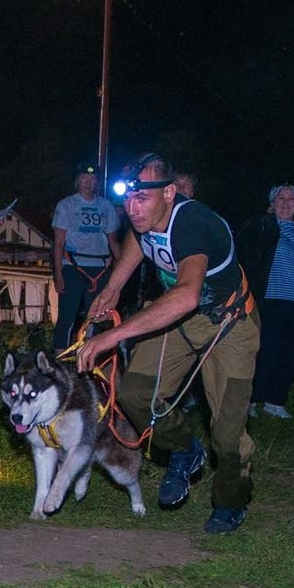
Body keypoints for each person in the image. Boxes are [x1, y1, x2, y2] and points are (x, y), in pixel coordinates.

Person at [76, 155, 260, 535]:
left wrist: (115, 334)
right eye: (128, 199)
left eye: (143, 198)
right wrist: (112, 287)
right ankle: (184, 449)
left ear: (170, 193)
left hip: (229, 324)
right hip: (179, 321)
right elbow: (138, 244)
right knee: (135, 394)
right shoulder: (144, 220)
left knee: (226, 434)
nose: (133, 208)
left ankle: (231, 500)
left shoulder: (193, 223)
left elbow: (187, 295)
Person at [240, 184, 294, 418]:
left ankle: (275, 400)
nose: (286, 202)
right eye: (281, 197)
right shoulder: (259, 227)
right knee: (267, 351)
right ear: (272, 203)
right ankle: (253, 399)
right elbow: (245, 259)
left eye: (292, 198)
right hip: (272, 299)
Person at [51, 165, 122, 349]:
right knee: (67, 317)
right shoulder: (66, 205)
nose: (88, 182)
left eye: (92, 178)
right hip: (73, 267)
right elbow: (58, 244)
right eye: (84, 177)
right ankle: (60, 361)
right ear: (77, 180)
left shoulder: (106, 206)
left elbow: (114, 241)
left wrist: (122, 273)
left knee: (96, 318)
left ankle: (91, 358)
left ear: (97, 181)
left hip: (100, 267)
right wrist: (58, 274)